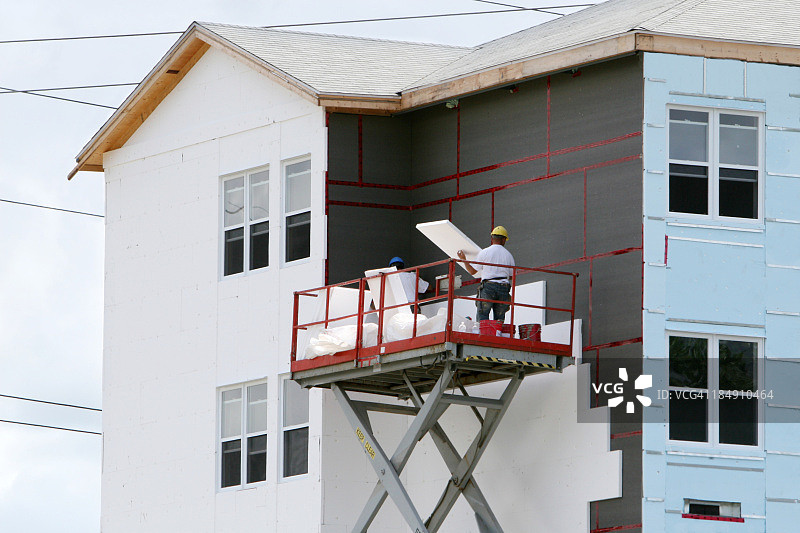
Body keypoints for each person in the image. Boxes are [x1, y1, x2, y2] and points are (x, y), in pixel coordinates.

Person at [457, 226, 515, 322]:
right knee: (499, 319)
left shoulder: (485, 252)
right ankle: (498, 335)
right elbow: (512, 276)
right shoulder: (508, 255)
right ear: (504, 239)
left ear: (492, 238)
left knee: (483, 316)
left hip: (488, 287)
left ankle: (484, 335)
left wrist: (463, 259)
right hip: (504, 288)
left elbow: (472, 271)